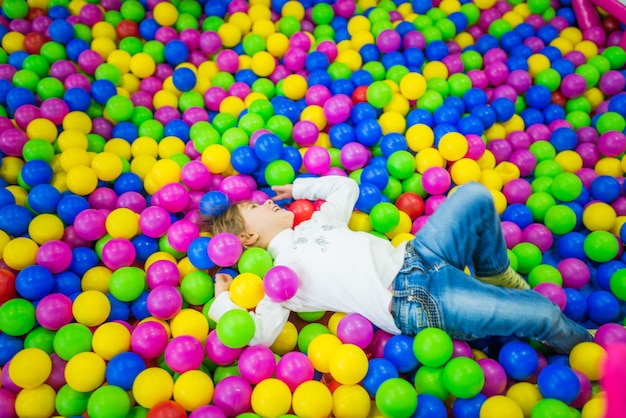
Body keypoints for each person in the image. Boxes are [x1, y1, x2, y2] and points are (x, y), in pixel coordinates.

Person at [204, 175, 593, 354]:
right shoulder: (278, 281)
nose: (269, 202)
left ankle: (495, 273)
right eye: (256, 208)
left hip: (420, 256)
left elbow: (345, 187)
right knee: (541, 311)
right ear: (246, 239)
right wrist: (224, 301)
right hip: (416, 300)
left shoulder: (318, 221)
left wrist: (302, 188)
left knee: (475, 195)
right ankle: (588, 348)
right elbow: (258, 334)